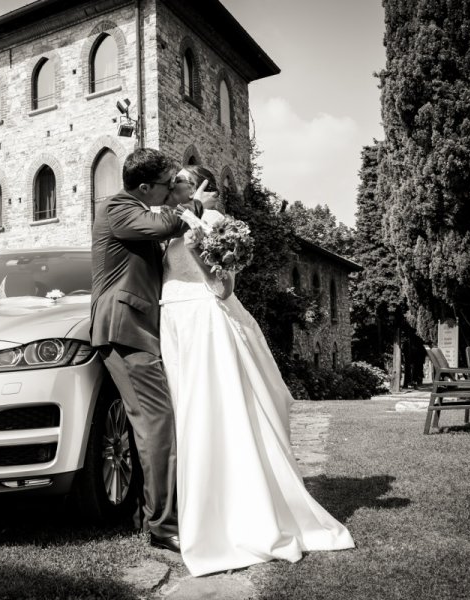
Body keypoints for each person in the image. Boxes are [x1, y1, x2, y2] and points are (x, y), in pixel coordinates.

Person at [160, 165, 355, 576]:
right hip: (173, 320)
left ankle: (235, 512)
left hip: (203, 319)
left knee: (216, 409)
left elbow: (223, 286)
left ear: (201, 187)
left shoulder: (213, 222)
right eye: (174, 179)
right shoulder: (164, 219)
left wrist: (197, 245)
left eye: (181, 180)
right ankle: (190, 506)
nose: (174, 184)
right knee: (187, 412)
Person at [90, 148, 203, 552]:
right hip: (125, 330)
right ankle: (163, 525)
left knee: (150, 425)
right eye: (166, 184)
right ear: (144, 187)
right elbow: (163, 228)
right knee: (158, 424)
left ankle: (147, 514)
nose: (172, 189)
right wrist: (193, 204)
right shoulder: (119, 208)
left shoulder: (135, 210)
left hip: (139, 330)